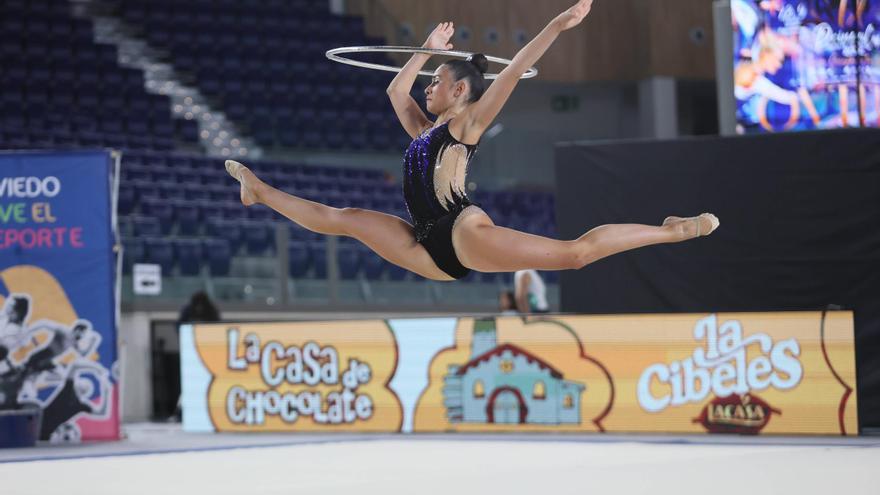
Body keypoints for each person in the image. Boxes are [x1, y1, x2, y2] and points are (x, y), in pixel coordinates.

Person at [224, 0, 718, 283]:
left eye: (435, 82)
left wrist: (555, 25)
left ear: (460, 91)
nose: (426, 88)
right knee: (345, 220)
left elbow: (517, 70)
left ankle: (671, 231)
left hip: (461, 232)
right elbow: (395, 88)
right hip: (422, 240)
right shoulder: (424, 130)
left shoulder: (467, 126)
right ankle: (258, 190)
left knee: (575, 254)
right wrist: (425, 52)